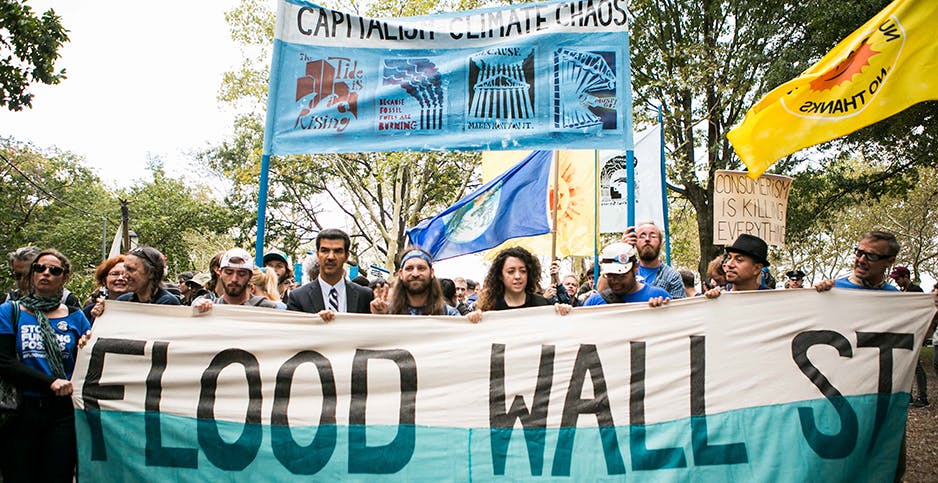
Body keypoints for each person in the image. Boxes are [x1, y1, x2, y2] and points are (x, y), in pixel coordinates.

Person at [0, 249, 91, 482]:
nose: (46, 273)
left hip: (63, 412)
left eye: (54, 270)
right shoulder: (10, 312)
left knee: (57, 475)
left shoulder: (76, 317)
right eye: (40, 268)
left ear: (64, 277)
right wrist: (50, 382)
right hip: (22, 409)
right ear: (32, 274)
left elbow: (89, 360)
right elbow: (4, 361)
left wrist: (85, 344)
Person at [466, 247, 572, 323]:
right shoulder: (490, 307)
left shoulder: (542, 304)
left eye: (522, 271)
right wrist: (472, 322)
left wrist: (562, 314)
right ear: (500, 275)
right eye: (511, 271)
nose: (517, 276)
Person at [288, 229, 373, 320]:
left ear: (347, 256)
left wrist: (380, 313)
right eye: (325, 251)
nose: (331, 257)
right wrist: (315, 322)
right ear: (317, 254)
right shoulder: (298, 297)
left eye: (337, 251)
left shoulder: (364, 296)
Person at [370, 248, 459, 316]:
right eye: (409, 268)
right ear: (400, 274)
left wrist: (472, 321)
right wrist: (380, 318)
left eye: (421, 268)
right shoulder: (387, 310)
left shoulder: (449, 314)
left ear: (432, 272)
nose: (415, 274)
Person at [582, 243, 670, 307]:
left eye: (621, 276)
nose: (615, 281)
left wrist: (662, 311)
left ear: (635, 267)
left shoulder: (659, 295)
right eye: (610, 276)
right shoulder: (594, 302)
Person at [814, 231, 900, 292]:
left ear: (889, 261)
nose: (862, 260)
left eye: (871, 256)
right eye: (859, 253)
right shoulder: (832, 289)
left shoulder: (896, 299)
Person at [194, 249, 278, 310]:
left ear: (250, 276)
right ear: (220, 273)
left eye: (241, 274)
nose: (234, 279)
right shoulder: (210, 308)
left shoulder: (266, 308)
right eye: (229, 273)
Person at [621, 222, 685, 299]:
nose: (647, 239)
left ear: (661, 243)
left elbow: (679, 309)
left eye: (653, 236)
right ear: (635, 242)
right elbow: (603, 293)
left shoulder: (672, 277)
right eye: (642, 236)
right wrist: (622, 250)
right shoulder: (623, 271)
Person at [6, 246, 81, 308]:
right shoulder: (11, 300)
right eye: (18, 275)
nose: (22, 280)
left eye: (27, 274)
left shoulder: (66, 300)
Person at [705, 234, 771, 297]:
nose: (729, 264)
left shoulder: (772, 300)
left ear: (757, 268)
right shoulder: (718, 298)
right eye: (729, 258)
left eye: (739, 260)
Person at [117, 246, 181, 305]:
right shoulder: (123, 300)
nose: (124, 275)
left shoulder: (167, 302)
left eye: (130, 269)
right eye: (125, 268)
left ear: (150, 273)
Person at [83, 255, 130, 324]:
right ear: (104, 280)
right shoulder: (90, 310)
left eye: (126, 274)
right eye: (115, 274)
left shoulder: (143, 308)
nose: (120, 278)